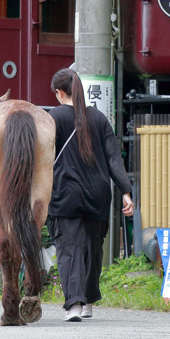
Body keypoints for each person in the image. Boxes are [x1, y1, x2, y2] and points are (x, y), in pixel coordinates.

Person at [47, 67, 135, 322]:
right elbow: (113, 159)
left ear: (59, 92)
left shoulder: (54, 117)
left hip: (65, 192)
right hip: (98, 192)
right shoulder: (98, 118)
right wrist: (126, 192)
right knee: (92, 248)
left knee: (69, 247)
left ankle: (74, 304)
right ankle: (88, 303)